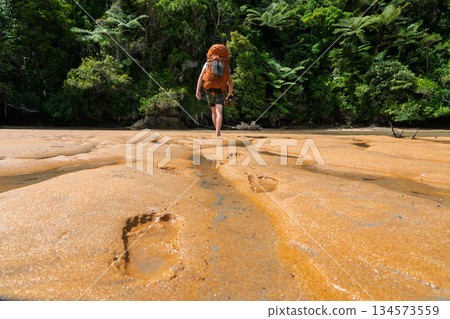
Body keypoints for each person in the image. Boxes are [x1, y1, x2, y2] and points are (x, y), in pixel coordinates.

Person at [196, 44, 233, 137]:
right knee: (219, 111)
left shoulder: (207, 64)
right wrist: (230, 93)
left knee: (213, 111)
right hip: (220, 89)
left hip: (209, 89)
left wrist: (198, 91)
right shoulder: (226, 65)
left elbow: (201, 77)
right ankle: (217, 132)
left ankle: (217, 132)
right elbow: (230, 81)